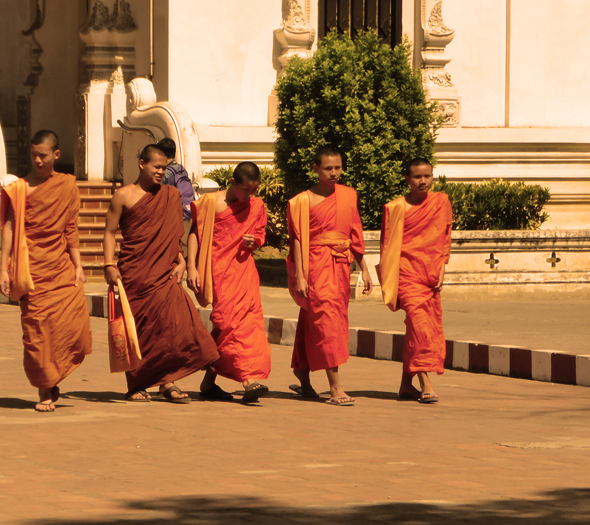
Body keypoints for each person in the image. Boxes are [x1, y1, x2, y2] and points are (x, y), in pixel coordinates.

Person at [103, 143, 220, 402]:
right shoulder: (123, 195)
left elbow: (172, 234)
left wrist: (181, 261)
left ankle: (167, 381)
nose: (160, 172)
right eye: (156, 167)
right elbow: (110, 232)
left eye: (164, 167)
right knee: (141, 331)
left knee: (173, 327)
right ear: (142, 164)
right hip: (134, 273)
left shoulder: (171, 195)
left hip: (164, 274)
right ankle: (137, 383)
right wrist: (109, 264)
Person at [0, 130, 93, 412]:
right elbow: (9, 228)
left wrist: (78, 265)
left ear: (56, 155)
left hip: (60, 266)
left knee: (72, 328)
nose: (37, 160)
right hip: (30, 269)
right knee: (36, 331)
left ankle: (54, 377)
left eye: (43, 155)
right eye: (34, 155)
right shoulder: (19, 189)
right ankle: (44, 389)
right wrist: (3, 268)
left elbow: (70, 228)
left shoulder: (66, 185)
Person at [286, 146, 372, 406]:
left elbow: (355, 231)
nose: (334, 173)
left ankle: (302, 372)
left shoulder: (348, 195)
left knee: (315, 318)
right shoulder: (302, 201)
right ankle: (335, 388)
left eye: (338, 168)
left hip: (341, 266)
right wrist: (300, 276)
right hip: (315, 266)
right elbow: (298, 241)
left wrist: (364, 267)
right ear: (315, 169)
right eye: (328, 168)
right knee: (327, 321)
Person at [187, 161, 271, 404]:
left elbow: (261, 233)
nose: (249, 196)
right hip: (218, 271)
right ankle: (223, 380)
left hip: (244, 271)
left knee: (246, 325)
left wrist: (254, 241)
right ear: (233, 183)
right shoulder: (211, 203)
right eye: (245, 190)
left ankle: (247, 379)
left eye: (253, 191)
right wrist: (192, 267)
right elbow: (195, 233)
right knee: (226, 324)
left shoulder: (256, 205)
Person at [378, 158, 452, 404]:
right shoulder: (395, 208)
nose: (423, 181)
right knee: (422, 329)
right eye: (418, 177)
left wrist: (442, 267)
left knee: (415, 329)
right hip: (406, 275)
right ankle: (425, 383)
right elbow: (386, 248)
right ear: (407, 179)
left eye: (427, 176)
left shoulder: (441, 202)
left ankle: (405, 385)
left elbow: (444, 237)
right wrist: (387, 281)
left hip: (429, 275)